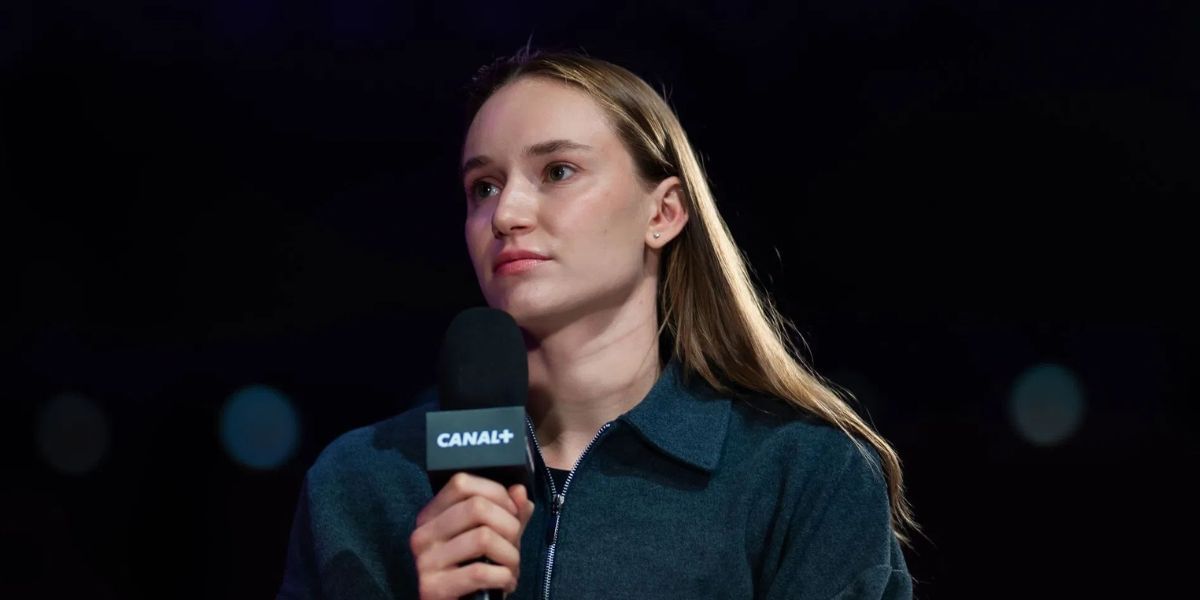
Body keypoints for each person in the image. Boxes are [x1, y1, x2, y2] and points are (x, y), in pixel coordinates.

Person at [278, 48, 917, 600]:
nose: (507, 214)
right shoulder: (363, 482)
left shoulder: (801, 474)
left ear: (663, 213)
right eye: (484, 187)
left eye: (557, 172)